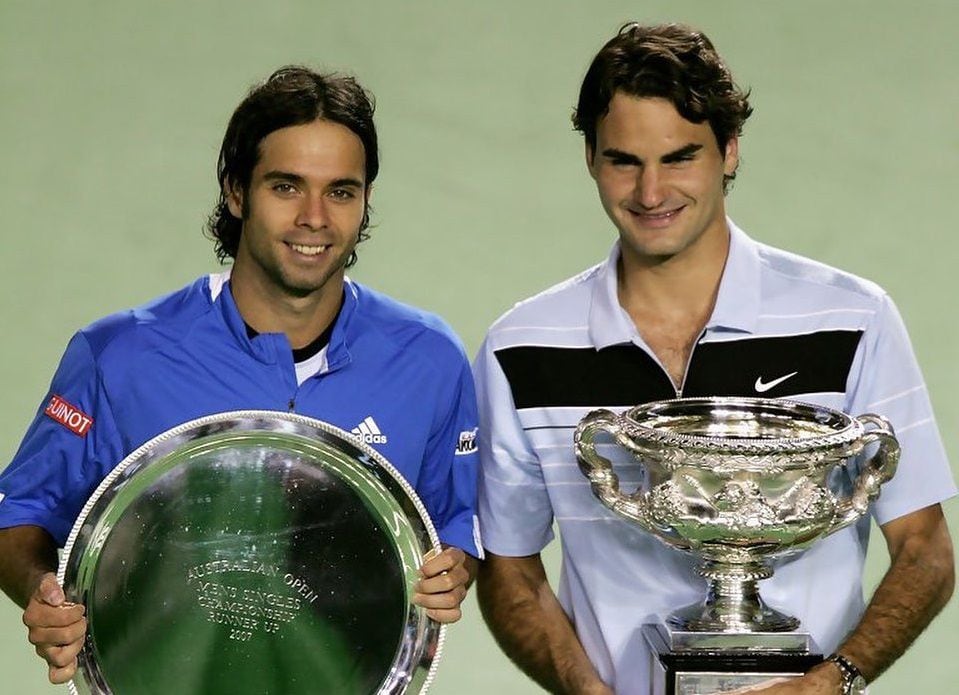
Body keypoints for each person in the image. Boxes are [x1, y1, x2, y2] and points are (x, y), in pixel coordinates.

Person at [473, 23, 955, 695]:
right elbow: (510, 568)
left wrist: (827, 683)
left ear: (727, 152)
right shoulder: (519, 347)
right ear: (589, 158)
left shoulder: (852, 318)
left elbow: (925, 550)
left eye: (678, 158)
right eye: (622, 160)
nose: (649, 192)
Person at [0, 66, 481, 685]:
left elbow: (452, 522)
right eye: (287, 187)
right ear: (236, 192)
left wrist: (453, 572)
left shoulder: (431, 359)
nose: (315, 217)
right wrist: (45, 591)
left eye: (341, 191)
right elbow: (20, 511)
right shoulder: (118, 356)